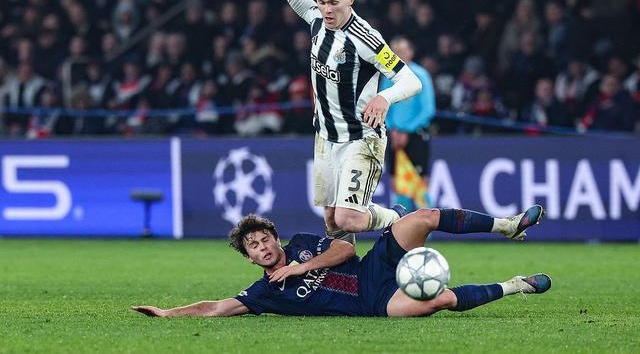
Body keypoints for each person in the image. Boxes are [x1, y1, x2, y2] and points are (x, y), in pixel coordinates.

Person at [132, 205, 550, 318]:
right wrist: (169, 313)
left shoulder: (302, 245)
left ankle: (507, 226)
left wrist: (301, 266)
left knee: (424, 217)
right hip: (373, 303)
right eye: (253, 246)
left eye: (264, 239)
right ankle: (516, 285)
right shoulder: (265, 293)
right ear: (249, 257)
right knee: (438, 300)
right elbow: (216, 308)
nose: (262, 247)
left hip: (372, 267)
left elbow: (346, 250)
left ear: (275, 237)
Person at [272, 0, 423, 245]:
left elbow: (411, 80)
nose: (327, 10)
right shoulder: (318, 19)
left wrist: (384, 97)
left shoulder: (366, 39)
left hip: (360, 137)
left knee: (347, 218)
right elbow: (304, 6)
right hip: (326, 136)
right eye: (322, 1)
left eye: (334, 3)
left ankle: (396, 216)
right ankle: (346, 269)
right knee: (330, 218)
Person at [380, 36, 436, 209]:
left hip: (416, 135)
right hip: (394, 136)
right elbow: (383, 104)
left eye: (402, 51)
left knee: (420, 185)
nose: (399, 55)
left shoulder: (421, 75)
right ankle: (403, 224)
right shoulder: (387, 77)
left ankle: (426, 224)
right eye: (395, 52)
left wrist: (406, 130)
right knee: (397, 185)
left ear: (411, 52)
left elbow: (428, 109)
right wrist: (393, 129)